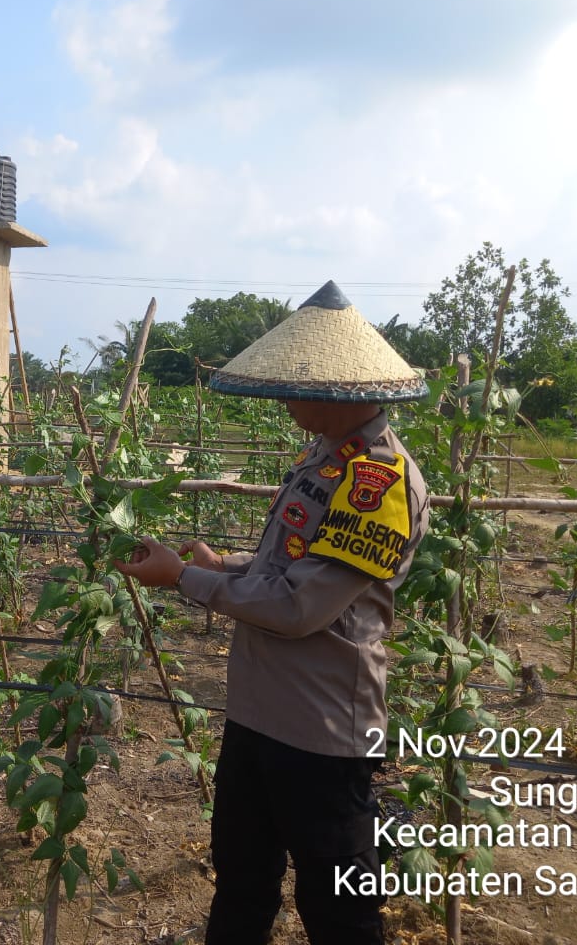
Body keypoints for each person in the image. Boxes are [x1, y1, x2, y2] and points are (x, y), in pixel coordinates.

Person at [115, 280, 431, 945]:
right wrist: (220, 564)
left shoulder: (378, 481)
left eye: (294, 384)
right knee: (241, 883)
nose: (283, 397)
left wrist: (185, 581)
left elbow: (298, 609)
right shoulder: (323, 460)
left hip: (322, 733)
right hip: (258, 717)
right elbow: (287, 573)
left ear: (338, 389)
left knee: (339, 911)